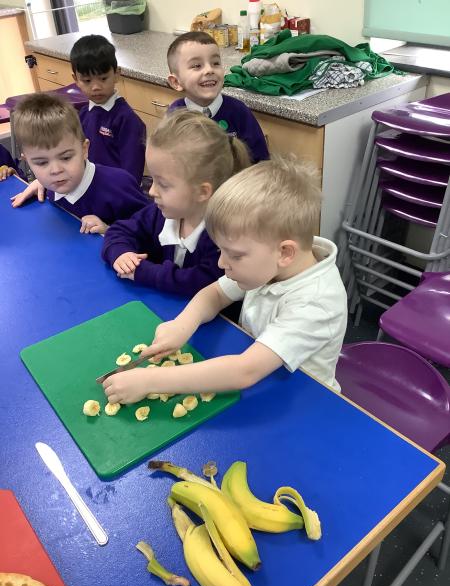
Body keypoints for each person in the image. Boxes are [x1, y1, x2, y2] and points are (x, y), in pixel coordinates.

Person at [102, 156, 348, 406]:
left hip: (306, 402)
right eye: (221, 250)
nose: (221, 263)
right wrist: (181, 326)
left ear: (285, 253)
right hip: (268, 379)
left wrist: (150, 381)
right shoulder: (270, 263)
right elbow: (216, 294)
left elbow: (244, 371)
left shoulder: (317, 302)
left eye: (235, 255)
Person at [101, 109, 251, 295]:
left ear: (202, 192)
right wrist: (121, 254)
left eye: (163, 184)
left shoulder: (224, 236)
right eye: (152, 180)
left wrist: (143, 272)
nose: (151, 191)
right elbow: (119, 231)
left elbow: (199, 283)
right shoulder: (159, 213)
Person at [10, 94, 148, 234]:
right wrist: (40, 183)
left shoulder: (119, 186)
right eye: (42, 163)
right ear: (27, 161)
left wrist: (109, 231)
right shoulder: (52, 183)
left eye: (66, 158)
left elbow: (152, 230)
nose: (56, 170)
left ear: (84, 149)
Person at [167, 31, 269, 164]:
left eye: (215, 63)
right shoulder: (174, 115)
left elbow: (261, 160)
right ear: (176, 82)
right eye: (197, 66)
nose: (209, 70)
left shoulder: (239, 111)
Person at [70, 34, 146, 184]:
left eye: (103, 78)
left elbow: (132, 174)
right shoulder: (83, 115)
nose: (96, 87)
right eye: (87, 81)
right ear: (76, 80)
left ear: (117, 74)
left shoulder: (127, 120)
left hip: (116, 191)